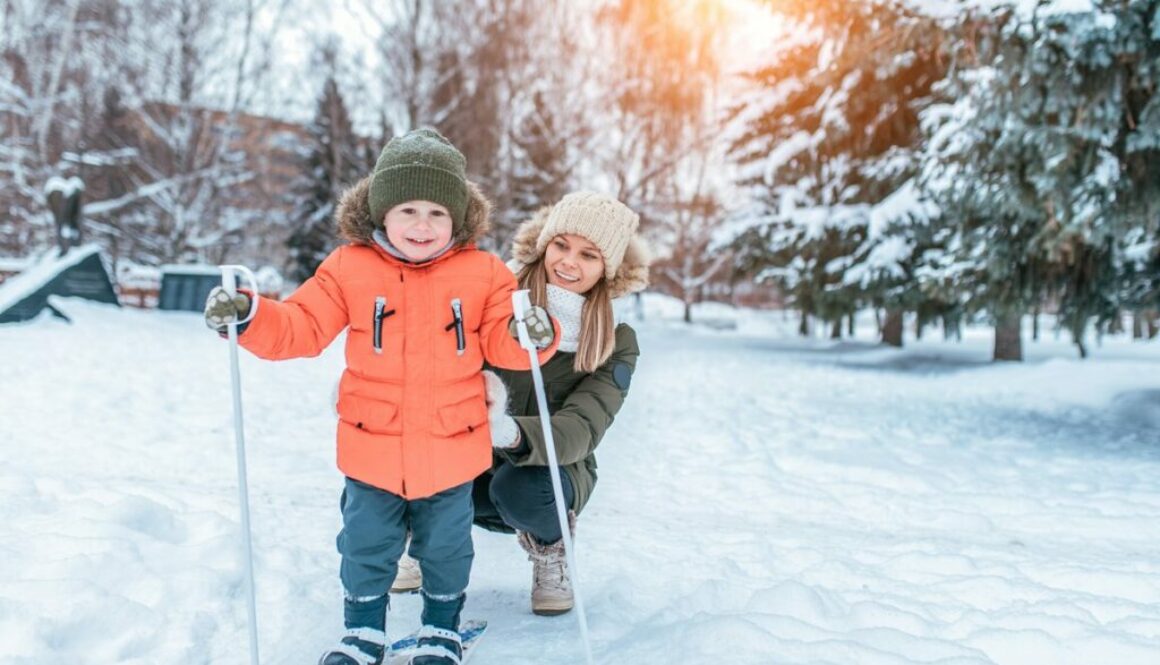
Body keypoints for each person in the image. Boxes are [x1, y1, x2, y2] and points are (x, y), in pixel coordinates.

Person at [203, 128, 558, 665]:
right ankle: (363, 631)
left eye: (438, 213)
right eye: (408, 209)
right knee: (365, 544)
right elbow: (300, 325)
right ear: (380, 212)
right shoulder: (349, 267)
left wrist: (532, 332)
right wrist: (252, 317)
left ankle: (441, 628)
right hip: (372, 445)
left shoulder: (482, 273)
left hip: (451, 445)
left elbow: (504, 343)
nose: (422, 224)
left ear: (458, 219)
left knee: (447, 547)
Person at [392, 191, 650, 616]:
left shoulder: (615, 339)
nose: (568, 262)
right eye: (561, 245)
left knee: (524, 485)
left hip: (549, 472)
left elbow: (583, 426)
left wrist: (508, 431)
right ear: (543, 244)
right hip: (469, 453)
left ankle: (552, 551)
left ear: (609, 269)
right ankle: (426, 543)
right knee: (421, 457)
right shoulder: (496, 297)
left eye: (589, 255)